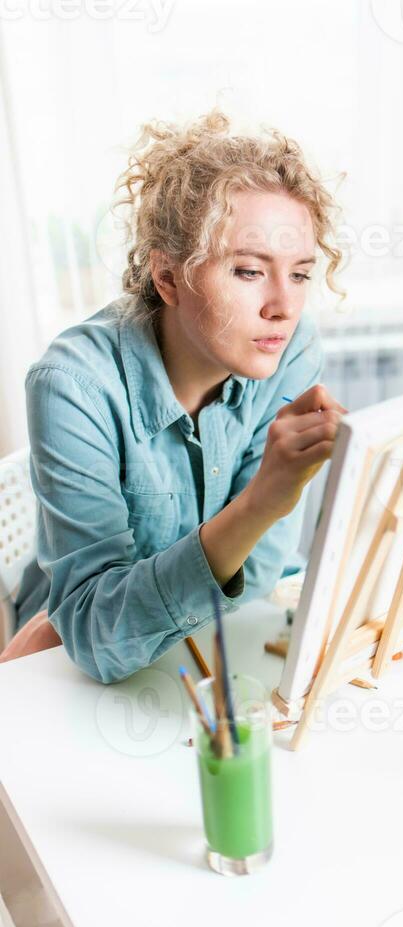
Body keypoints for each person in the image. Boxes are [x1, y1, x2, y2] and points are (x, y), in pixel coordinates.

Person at [4, 108, 346, 682]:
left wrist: (122, 615)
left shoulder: (288, 349)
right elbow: (94, 642)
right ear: (168, 279)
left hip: (195, 652)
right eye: (247, 271)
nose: (283, 306)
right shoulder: (72, 386)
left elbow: (259, 572)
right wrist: (260, 502)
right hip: (58, 675)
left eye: (302, 273)